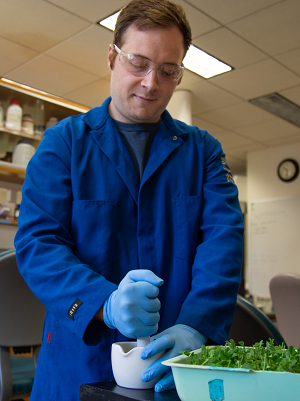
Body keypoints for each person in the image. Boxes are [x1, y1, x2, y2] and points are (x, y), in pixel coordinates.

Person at [14, 0, 244, 399]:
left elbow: (223, 243)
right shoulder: (63, 144)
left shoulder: (203, 151)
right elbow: (38, 245)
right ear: (112, 56)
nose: (151, 83)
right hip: (76, 364)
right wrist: (104, 303)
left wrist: (198, 326)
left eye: (168, 71)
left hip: (172, 366)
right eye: (138, 63)